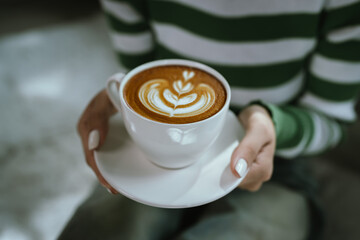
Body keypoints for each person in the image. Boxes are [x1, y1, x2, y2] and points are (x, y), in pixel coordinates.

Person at [59, 0, 360, 239]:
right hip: (151, 154)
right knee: (104, 229)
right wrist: (123, 107)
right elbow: (140, 75)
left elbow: (330, 119)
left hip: (277, 160)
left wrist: (274, 124)